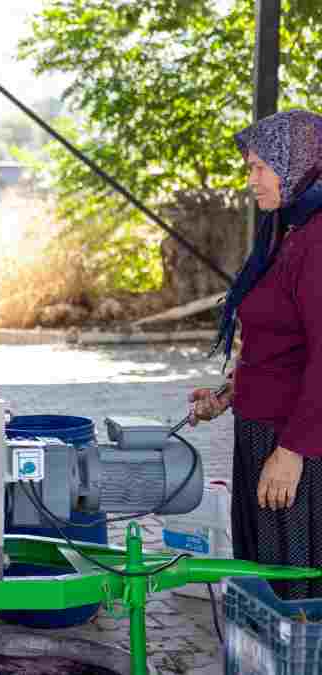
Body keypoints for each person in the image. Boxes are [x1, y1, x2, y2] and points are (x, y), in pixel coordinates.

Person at [189, 110, 322, 599]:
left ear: (297, 164)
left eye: (259, 168)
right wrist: (231, 393)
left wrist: (292, 452)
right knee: (263, 580)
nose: (251, 182)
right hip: (261, 430)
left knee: (294, 587)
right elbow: (278, 344)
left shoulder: (318, 240)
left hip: (297, 445)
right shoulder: (283, 230)